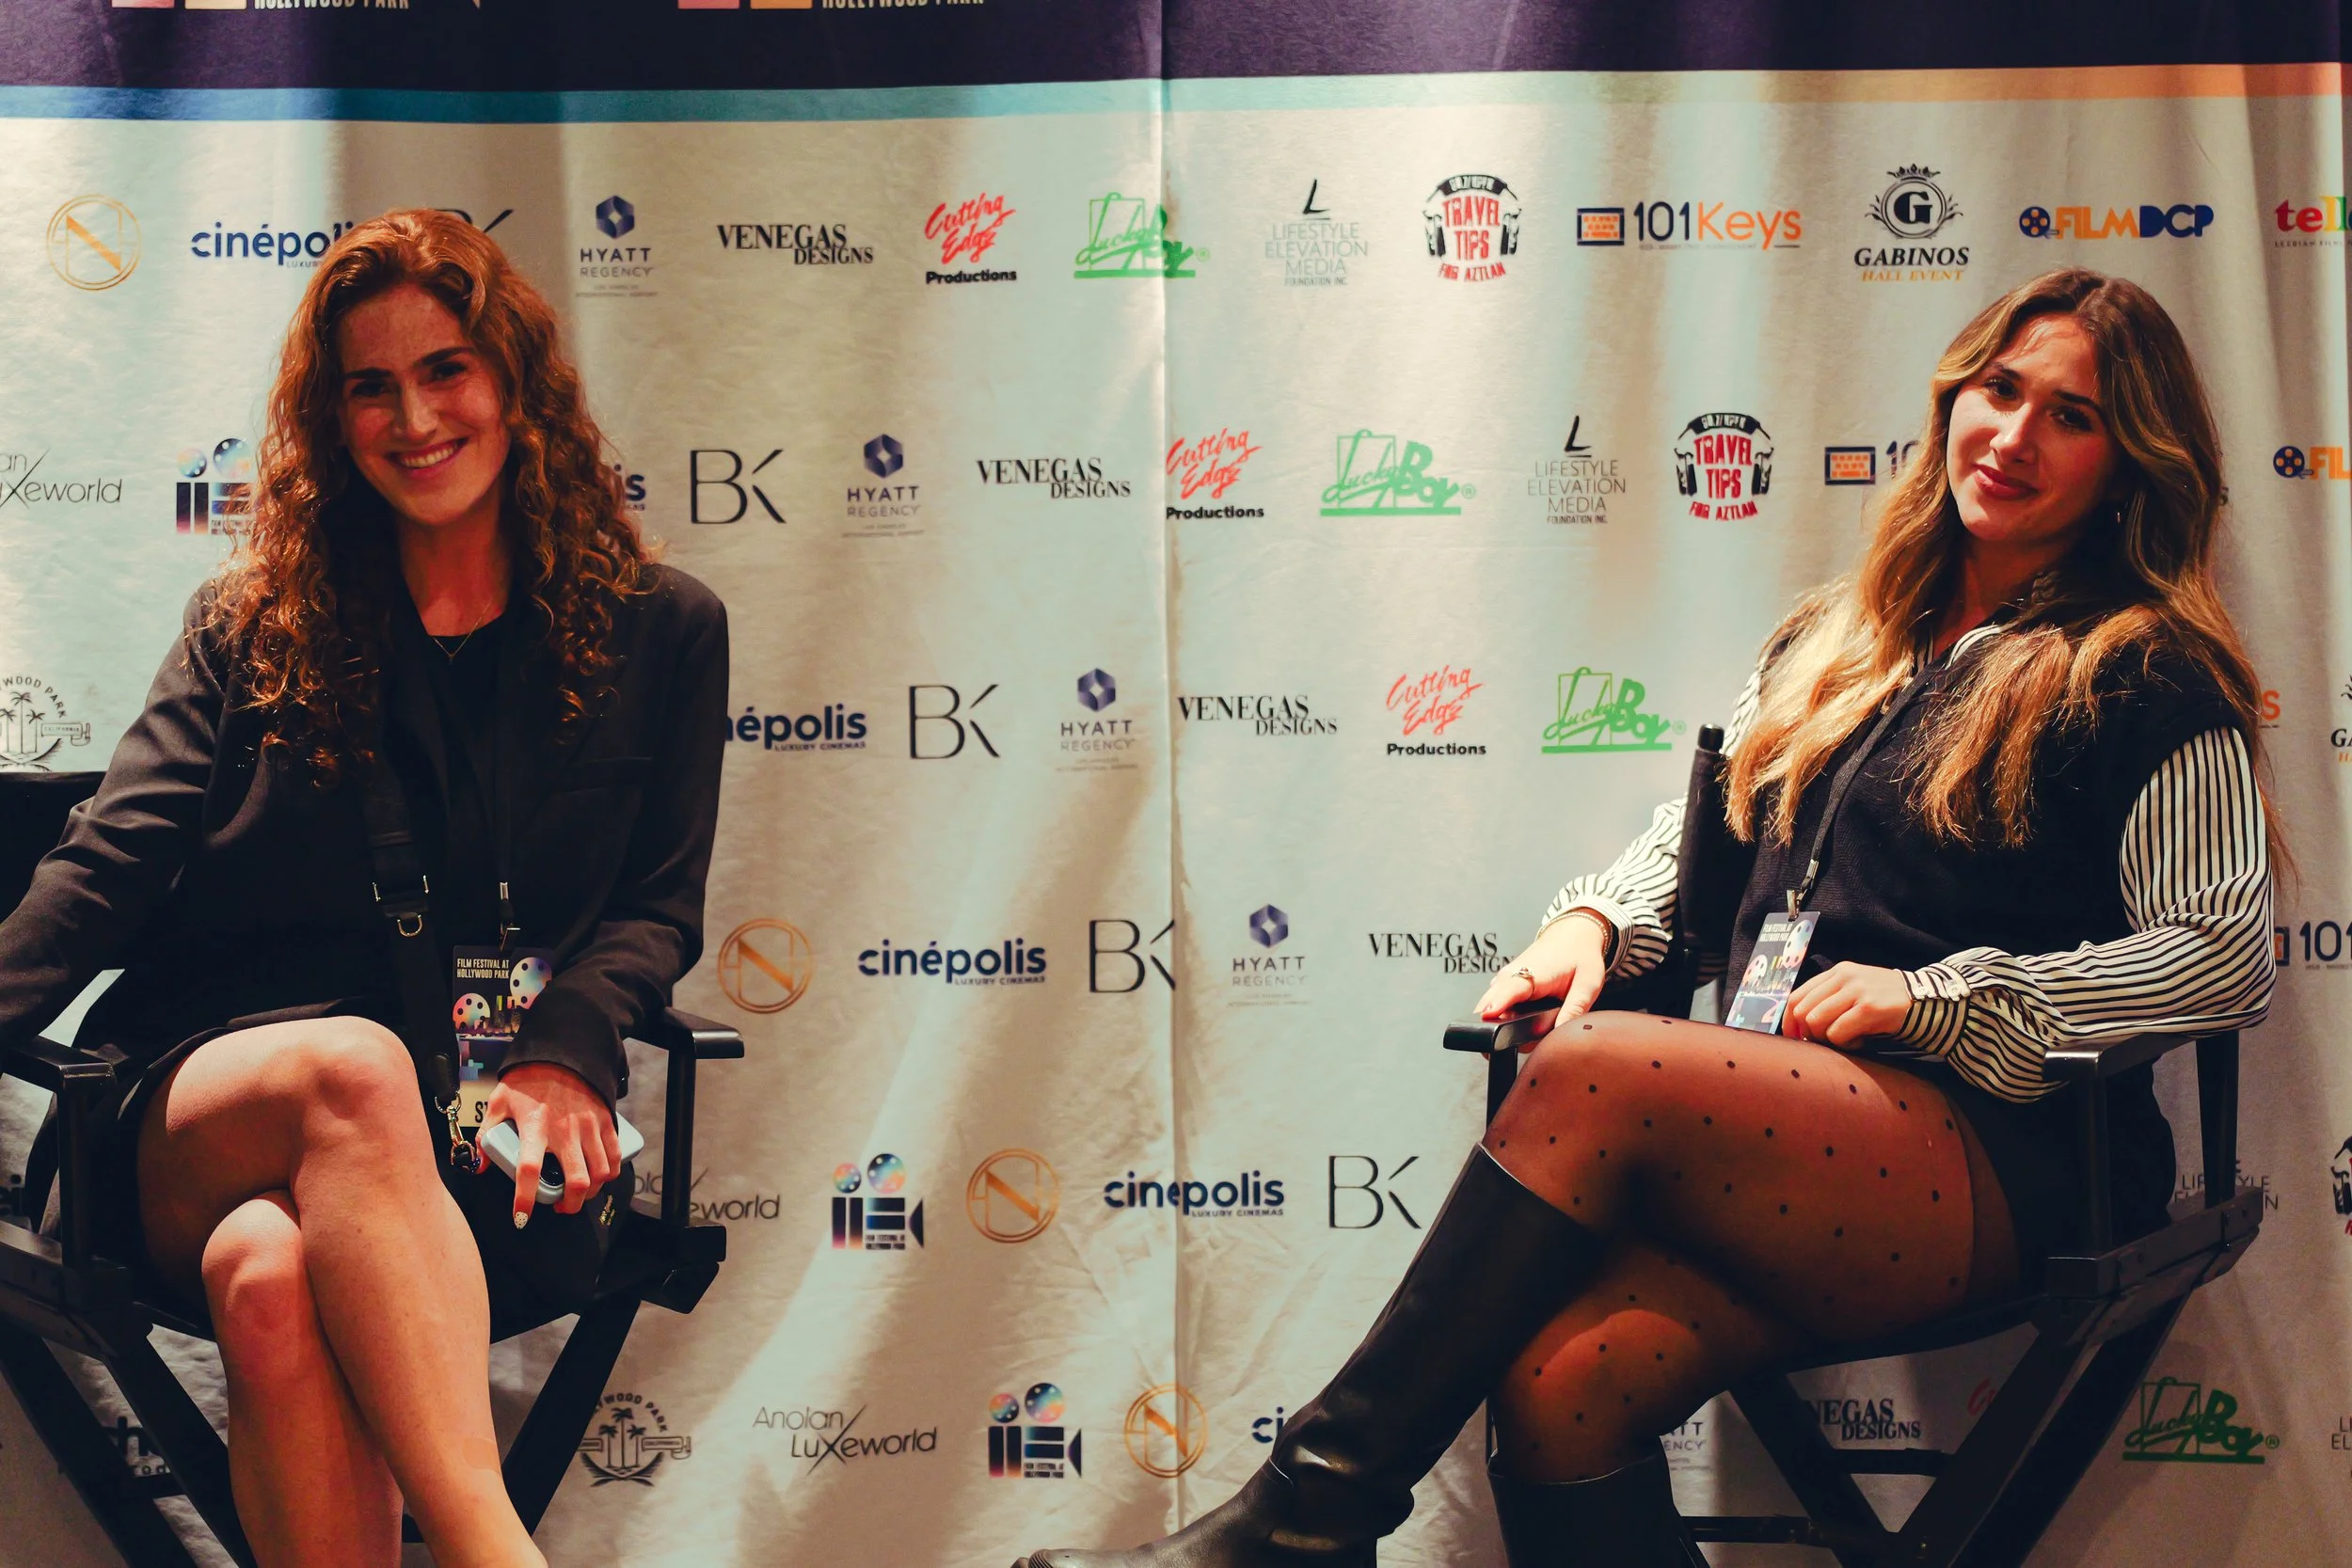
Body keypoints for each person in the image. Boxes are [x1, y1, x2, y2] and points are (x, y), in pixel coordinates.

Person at [1010, 267, 2275, 1568]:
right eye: (2000, 390)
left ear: (2130, 464)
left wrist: (1940, 998)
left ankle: (1303, 1522)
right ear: (1953, 396)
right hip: (1805, 1136)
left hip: (2013, 1165)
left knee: (1601, 1069)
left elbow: (2224, 951)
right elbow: (1706, 849)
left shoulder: (2145, 671)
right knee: (1564, 1379)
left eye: (2071, 415)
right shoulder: (1833, 640)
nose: (2011, 437)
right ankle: (1305, 1528)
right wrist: (1598, 927)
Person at [0, 210, 727, 1567]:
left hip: (473, 1131)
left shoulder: (661, 630)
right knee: (350, 1068)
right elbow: (107, 866)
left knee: (269, 1282)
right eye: (370, 385)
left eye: (446, 369)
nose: (414, 416)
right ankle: (496, 1549)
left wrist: (569, 1056)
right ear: (334, 420)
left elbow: (654, 908)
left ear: (514, 382)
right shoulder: (254, 622)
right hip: (189, 1108)